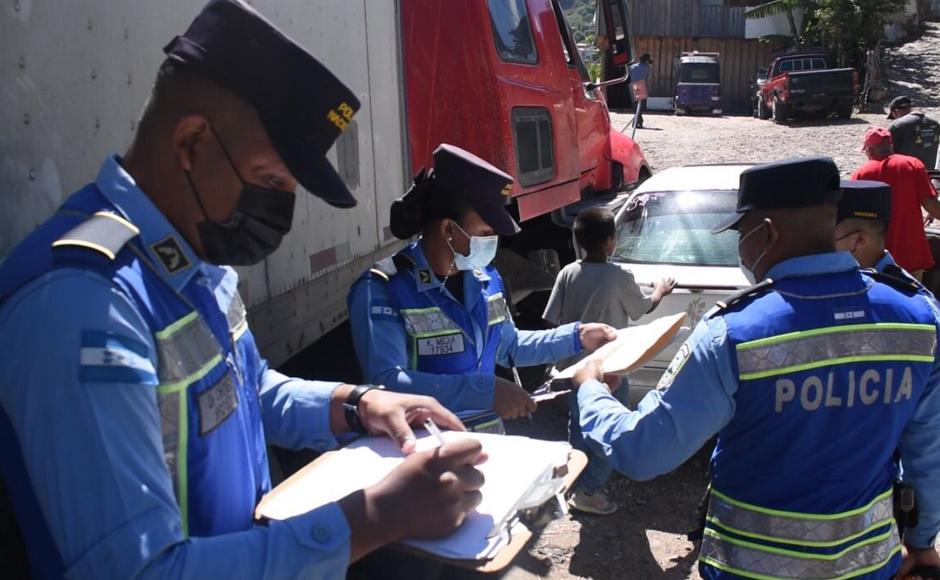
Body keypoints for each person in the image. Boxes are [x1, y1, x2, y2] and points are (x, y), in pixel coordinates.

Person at [0, 2, 487, 578]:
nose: (280, 208)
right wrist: (376, 517)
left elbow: (248, 391)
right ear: (191, 142)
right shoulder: (84, 303)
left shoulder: (195, 261)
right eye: (270, 179)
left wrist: (356, 406)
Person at [570, 156, 940, 579]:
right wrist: (923, 541)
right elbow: (928, 451)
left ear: (767, 233)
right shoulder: (919, 318)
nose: (740, 248)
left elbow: (643, 451)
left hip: (749, 569)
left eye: (740, 234)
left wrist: (589, 389)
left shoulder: (733, 332)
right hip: (867, 565)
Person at [347, 144, 616, 427]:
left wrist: (577, 336)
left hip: (486, 445)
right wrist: (485, 392)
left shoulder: (485, 279)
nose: (492, 241)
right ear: (449, 229)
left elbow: (509, 346)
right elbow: (387, 383)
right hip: (425, 451)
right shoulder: (382, 289)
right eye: (485, 233)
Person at [542, 207, 675, 515]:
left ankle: (575, 482)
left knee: (579, 428)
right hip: (610, 371)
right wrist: (659, 291)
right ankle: (588, 490)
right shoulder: (619, 277)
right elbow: (642, 309)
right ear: (611, 241)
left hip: (574, 370)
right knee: (612, 431)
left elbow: (551, 321)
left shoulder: (567, 273)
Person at [852, 126, 940, 280]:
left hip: (876, 259)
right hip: (912, 255)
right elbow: (932, 207)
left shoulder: (860, 174)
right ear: (890, 145)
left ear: (870, 150)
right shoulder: (913, 165)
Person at [887, 96, 940, 169]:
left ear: (895, 112)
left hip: (905, 173)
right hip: (929, 174)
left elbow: (888, 153)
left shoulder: (897, 125)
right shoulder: (934, 124)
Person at [629, 53, 653, 129]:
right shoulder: (647, 68)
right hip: (642, 85)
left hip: (634, 86)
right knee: (640, 105)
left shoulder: (632, 67)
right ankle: (638, 121)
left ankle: (637, 121)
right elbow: (647, 76)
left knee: (636, 105)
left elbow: (630, 75)